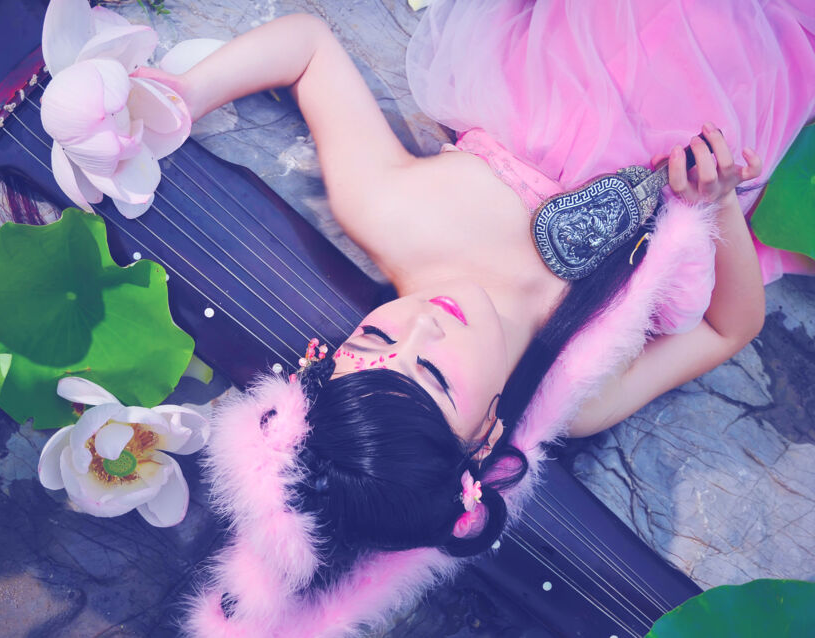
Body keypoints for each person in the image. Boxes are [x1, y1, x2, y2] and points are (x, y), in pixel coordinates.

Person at [128, 2, 815, 634]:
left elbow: (306, 48)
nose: (422, 324)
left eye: (375, 335)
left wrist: (183, 96)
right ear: (484, 440)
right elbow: (728, 329)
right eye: (433, 373)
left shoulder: (391, 214)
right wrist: (715, 204)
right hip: (748, 85)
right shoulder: (582, 387)